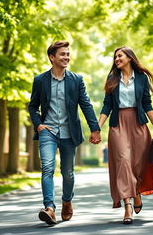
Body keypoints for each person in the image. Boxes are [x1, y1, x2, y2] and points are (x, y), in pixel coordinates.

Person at [28, 40, 101, 225]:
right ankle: (50, 208)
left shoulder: (77, 80)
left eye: (68, 54)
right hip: (48, 131)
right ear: (52, 57)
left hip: (69, 132)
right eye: (62, 54)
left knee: (68, 173)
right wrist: (38, 124)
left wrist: (95, 129)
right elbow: (32, 106)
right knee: (47, 168)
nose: (66, 57)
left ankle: (67, 201)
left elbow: (85, 104)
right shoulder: (40, 80)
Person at [97, 46, 153, 225]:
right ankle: (128, 206)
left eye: (120, 56)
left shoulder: (141, 78)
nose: (116, 59)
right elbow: (107, 105)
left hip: (139, 124)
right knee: (123, 161)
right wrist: (97, 127)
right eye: (115, 57)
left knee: (138, 164)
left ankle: (137, 193)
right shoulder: (112, 79)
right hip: (118, 125)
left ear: (129, 58)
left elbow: (147, 103)